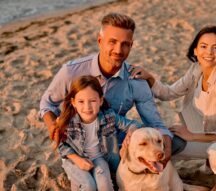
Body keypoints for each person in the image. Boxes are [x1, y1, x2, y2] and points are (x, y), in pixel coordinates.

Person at [39, 12, 185, 169]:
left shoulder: (136, 80)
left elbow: (155, 124)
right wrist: (52, 125)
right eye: (112, 42)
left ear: (131, 45)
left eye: (125, 44)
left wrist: (167, 148)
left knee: (175, 142)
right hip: (80, 144)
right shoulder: (71, 71)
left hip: (117, 145)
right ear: (100, 41)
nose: (118, 50)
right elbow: (47, 103)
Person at [130, 26, 216, 191]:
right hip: (205, 136)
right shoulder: (196, 69)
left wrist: (191, 135)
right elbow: (169, 93)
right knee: (166, 146)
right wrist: (149, 77)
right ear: (196, 50)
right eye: (204, 46)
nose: (209, 52)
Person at [56, 75, 142, 191]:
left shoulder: (108, 116)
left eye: (92, 101)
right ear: (74, 102)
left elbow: (133, 124)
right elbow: (61, 145)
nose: (87, 107)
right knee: (89, 186)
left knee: (104, 186)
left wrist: (130, 134)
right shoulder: (69, 121)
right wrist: (78, 160)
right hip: (74, 159)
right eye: (81, 101)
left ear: (100, 100)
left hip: (99, 157)